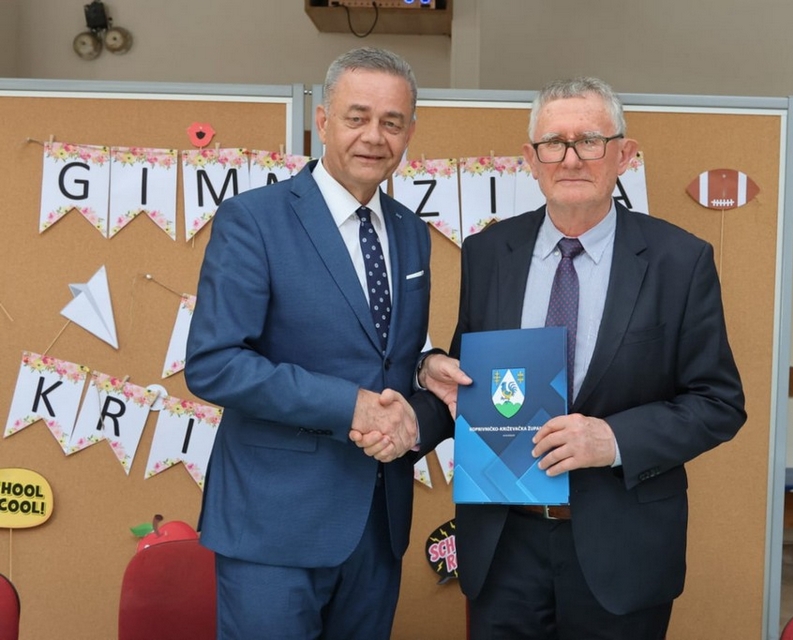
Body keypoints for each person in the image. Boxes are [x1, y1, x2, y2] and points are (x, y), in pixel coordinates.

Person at [416, 77, 747, 639]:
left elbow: (718, 403)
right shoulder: (489, 253)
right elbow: (474, 379)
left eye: (590, 140)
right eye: (554, 143)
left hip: (623, 551)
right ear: (531, 159)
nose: (570, 158)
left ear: (624, 154)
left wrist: (612, 439)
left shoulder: (679, 260)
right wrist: (428, 374)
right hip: (503, 545)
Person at [184, 47, 446, 639]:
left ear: (409, 132)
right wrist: (350, 405)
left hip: (377, 526)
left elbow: (384, 351)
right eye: (357, 117)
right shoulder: (253, 219)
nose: (374, 136)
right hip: (272, 528)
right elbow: (214, 363)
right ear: (322, 122)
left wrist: (425, 365)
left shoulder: (411, 232)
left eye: (392, 122)